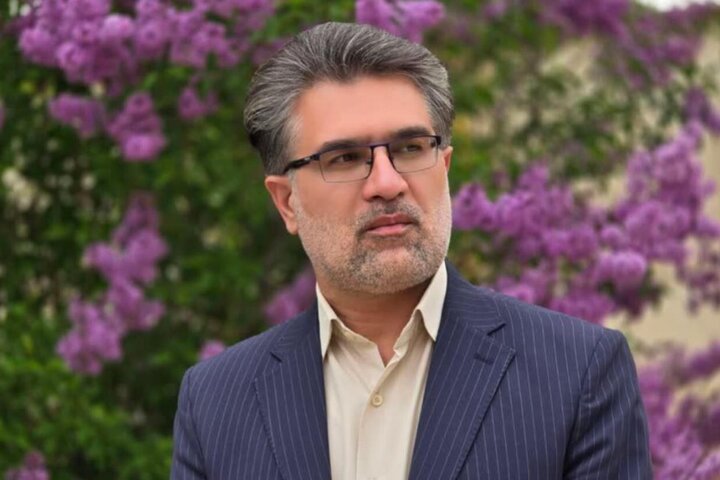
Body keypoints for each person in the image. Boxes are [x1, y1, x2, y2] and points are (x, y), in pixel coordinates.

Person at [171, 22, 652, 479]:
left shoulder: (578, 373)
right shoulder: (215, 403)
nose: (387, 182)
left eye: (410, 148)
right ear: (286, 202)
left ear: (444, 166)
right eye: (345, 158)